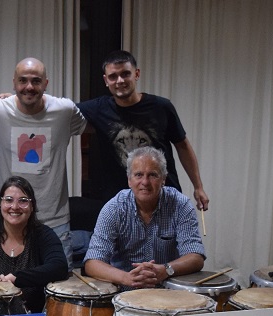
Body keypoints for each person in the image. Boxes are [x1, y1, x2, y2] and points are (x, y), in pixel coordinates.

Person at [0, 57, 86, 269]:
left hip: (55, 220)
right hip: (10, 219)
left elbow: (83, 126)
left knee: (58, 290)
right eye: (22, 81)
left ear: (46, 83)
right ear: (14, 82)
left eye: (36, 81)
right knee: (8, 289)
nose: (29, 86)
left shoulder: (65, 110)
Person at [77, 50, 210, 211]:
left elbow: (183, 146)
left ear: (137, 74)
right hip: (121, 203)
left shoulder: (161, 107)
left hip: (163, 197)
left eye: (126, 74)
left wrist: (198, 187)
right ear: (106, 80)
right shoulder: (98, 109)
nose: (119, 81)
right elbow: (60, 110)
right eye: (113, 76)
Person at [83, 147, 205, 289]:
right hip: (125, 293)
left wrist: (166, 269)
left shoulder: (180, 205)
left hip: (169, 292)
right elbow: (92, 263)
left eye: (152, 175)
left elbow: (196, 257)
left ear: (163, 179)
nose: (145, 182)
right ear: (129, 180)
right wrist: (127, 278)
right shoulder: (114, 208)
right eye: (139, 175)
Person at [0, 176, 68, 313]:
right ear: (0, 204)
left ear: (32, 206)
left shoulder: (43, 235)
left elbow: (59, 267)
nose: (15, 207)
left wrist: (16, 278)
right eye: (9, 200)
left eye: (23, 201)